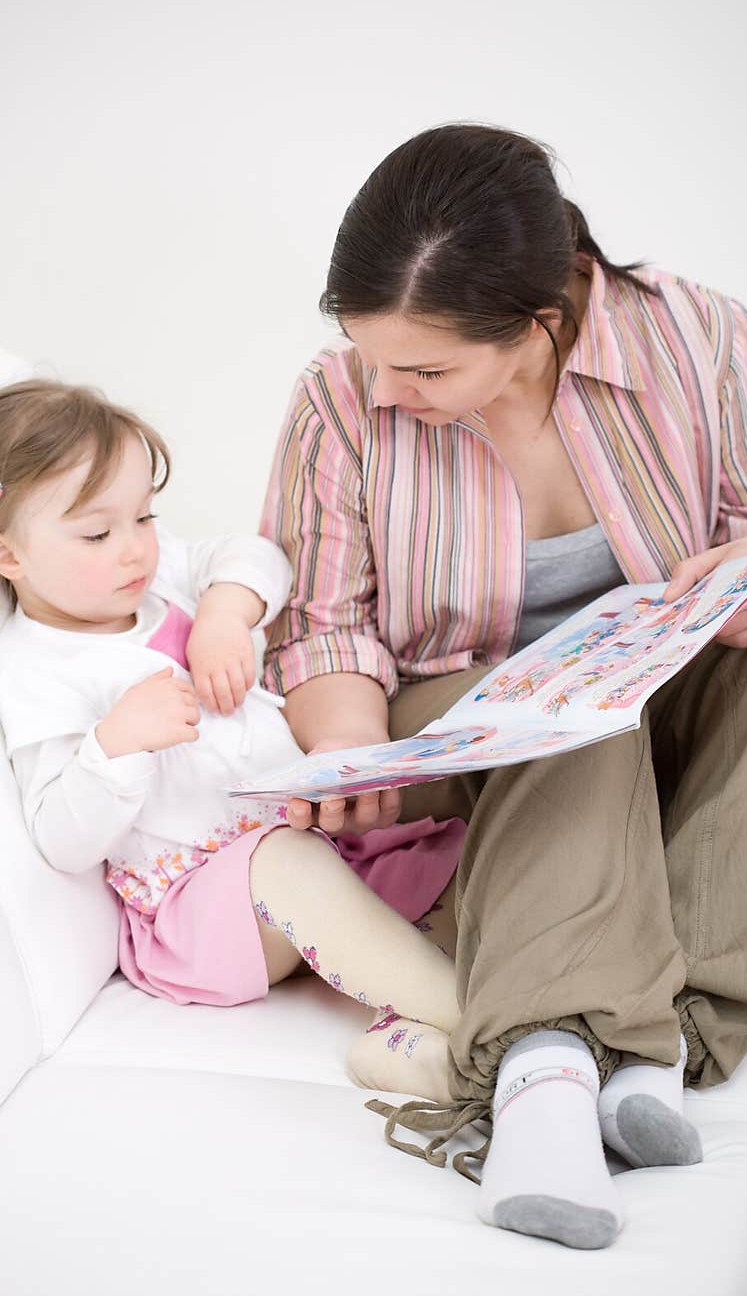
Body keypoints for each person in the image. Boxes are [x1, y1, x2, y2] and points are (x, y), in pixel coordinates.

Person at [260, 123, 747, 1251]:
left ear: (543, 317)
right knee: (560, 704)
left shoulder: (699, 337)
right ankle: (548, 1070)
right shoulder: (339, 400)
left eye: (428, 367)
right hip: (469, 730)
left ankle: (650, 1049)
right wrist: (353, 752)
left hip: (659, 713)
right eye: (372, 354)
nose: (389, 389)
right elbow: (322, 624)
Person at [0, 379, 468, 1098]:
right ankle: (480, 1028)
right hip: (196, 911)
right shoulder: (35, 671)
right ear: (10, 558)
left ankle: (405, 1042)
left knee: (459, 851)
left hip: (310, 843)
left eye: (144, 517)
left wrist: (223, 612)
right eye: (98, 533)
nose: (136, 550)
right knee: (287, 864)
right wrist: (115, 746)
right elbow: (62, 840)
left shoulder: (162, 585)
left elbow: (261, 557)